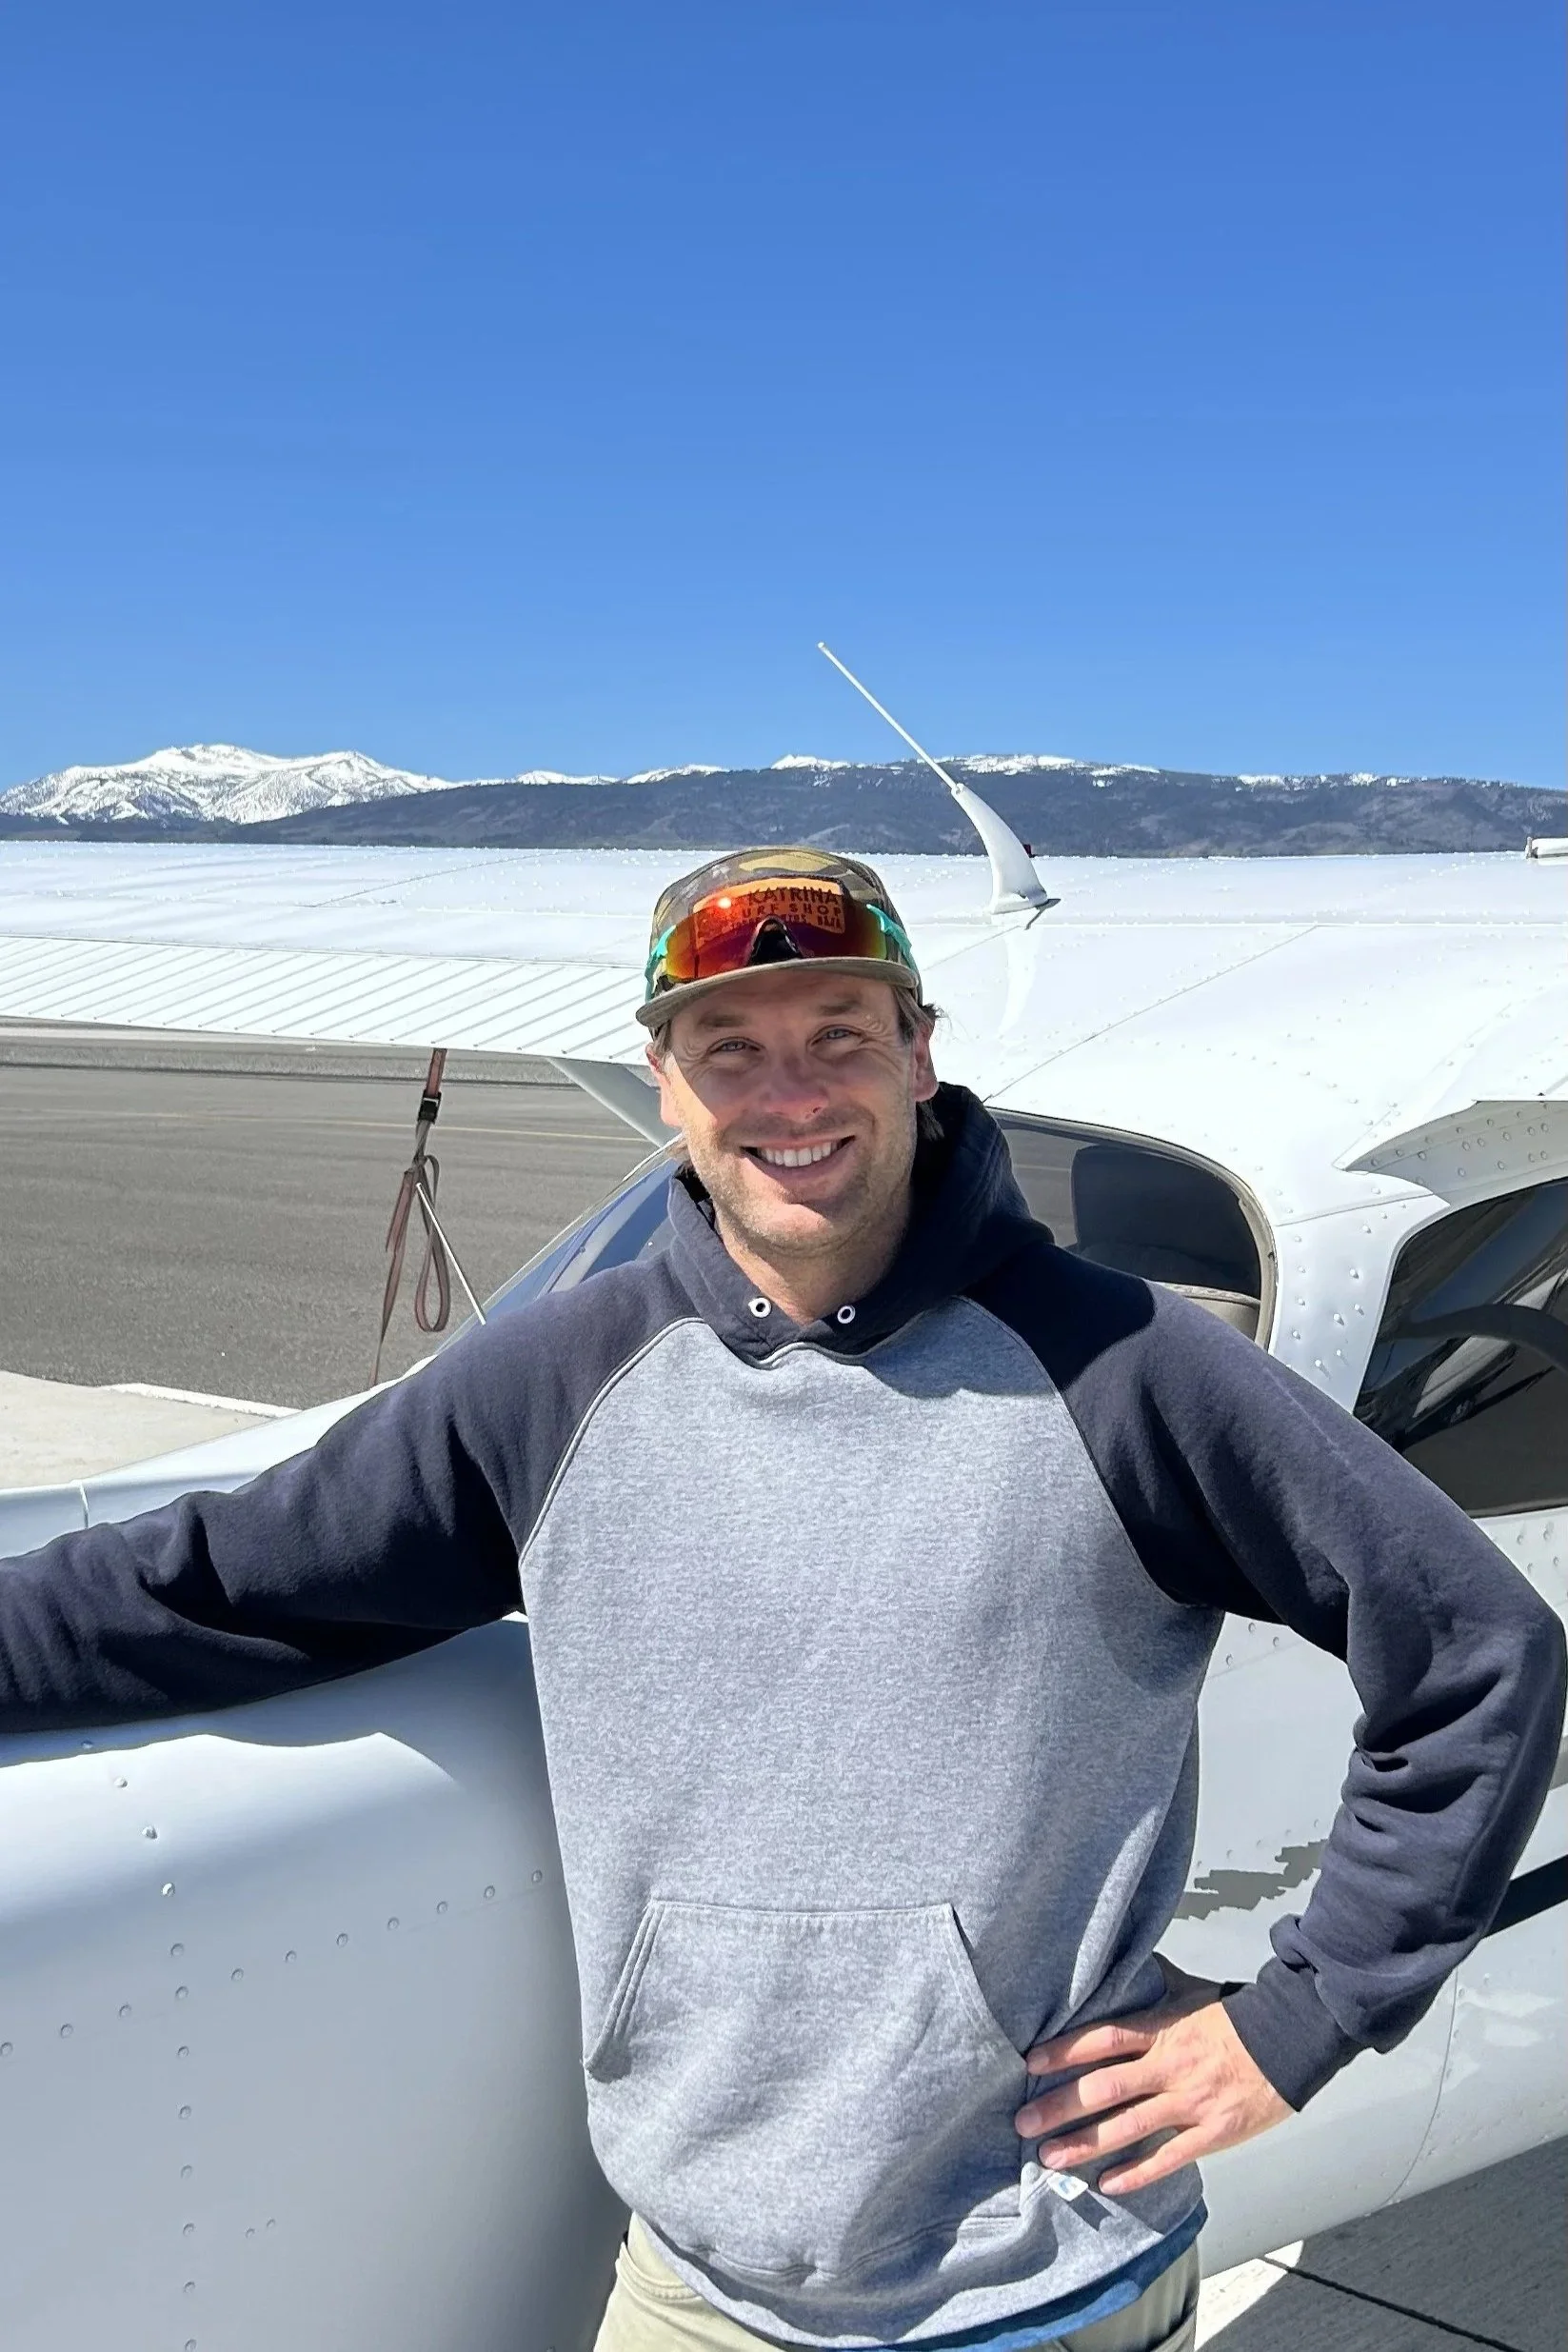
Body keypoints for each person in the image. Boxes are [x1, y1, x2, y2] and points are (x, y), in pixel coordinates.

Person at [0, 847, 1561, 2352]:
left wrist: (1300, 2019)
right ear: (665, 1082)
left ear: (919, 1054)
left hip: (1041, 2273)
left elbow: (1478, 1651)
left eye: (839, 1035)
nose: (791, 1092)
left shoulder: (1126, 1365)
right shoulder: (556, 1379)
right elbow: (219, 1579)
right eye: (727, 1047)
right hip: (698, 2279)